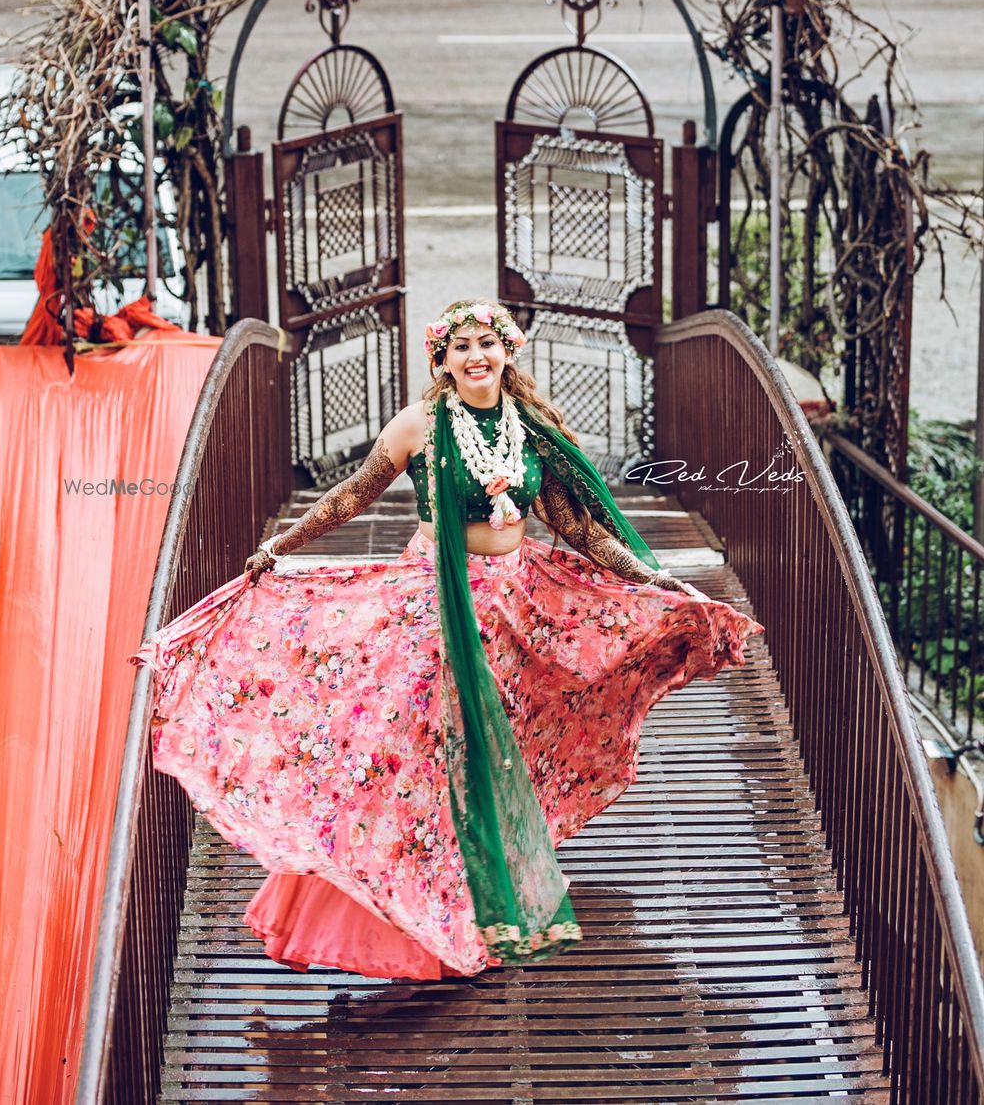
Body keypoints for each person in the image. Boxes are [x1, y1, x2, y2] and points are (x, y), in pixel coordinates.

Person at [131, 298, 764, 981]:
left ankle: (481, 881)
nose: (475, 357)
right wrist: (282, 545)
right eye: (459, 347)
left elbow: (577, 529)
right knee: (423, 742)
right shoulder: (421, 426)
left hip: (513, 606)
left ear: (509, 351)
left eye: (486, 344)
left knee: (501, 741)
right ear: (442, 360)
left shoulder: (534, 430)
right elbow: (353, 496)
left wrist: (659, 580)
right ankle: (411, 896)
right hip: (433, 602)